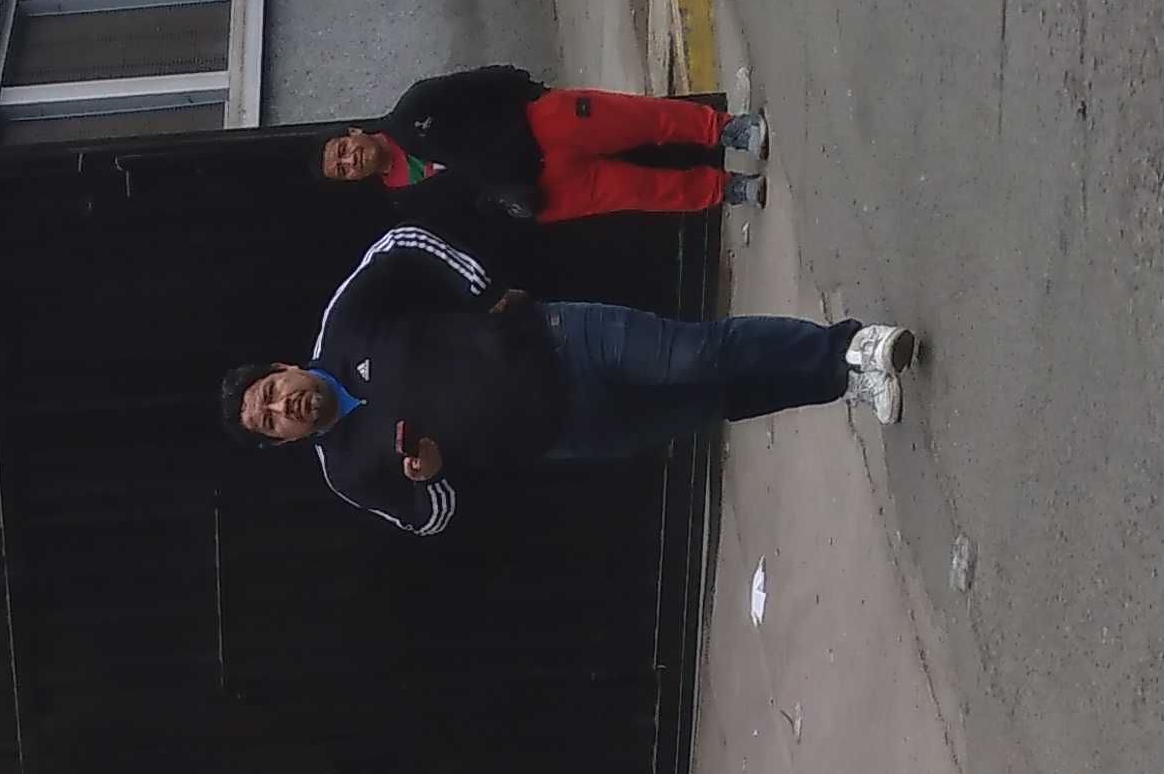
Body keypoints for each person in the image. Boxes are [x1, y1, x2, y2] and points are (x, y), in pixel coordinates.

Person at [223, 224, 917, 540]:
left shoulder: (342, 326)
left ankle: (848, 343)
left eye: (272, 394)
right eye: (272, 421)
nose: (285, 407)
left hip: (559, 340)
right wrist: (429, 475)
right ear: (284, 440)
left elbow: (399, 245)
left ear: (282, 369)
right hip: (567, 430)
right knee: (715, 400)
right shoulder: (346, 472)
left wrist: (484, 290)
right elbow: (428, 520)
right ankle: (840, 382)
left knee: (696, 357)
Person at [319, 67, 770, 225]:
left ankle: (729, 129)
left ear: (354, 132)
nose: (350, 160)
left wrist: (534, 93)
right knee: (644, 191)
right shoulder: (405, 201)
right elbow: (465, 220)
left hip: (542, 124)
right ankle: (729, 190)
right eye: (343, 169)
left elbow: (481, 81)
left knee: (644, 120)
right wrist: (506, 206)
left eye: (342, 149)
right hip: (547, 190)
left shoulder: (413, 108)